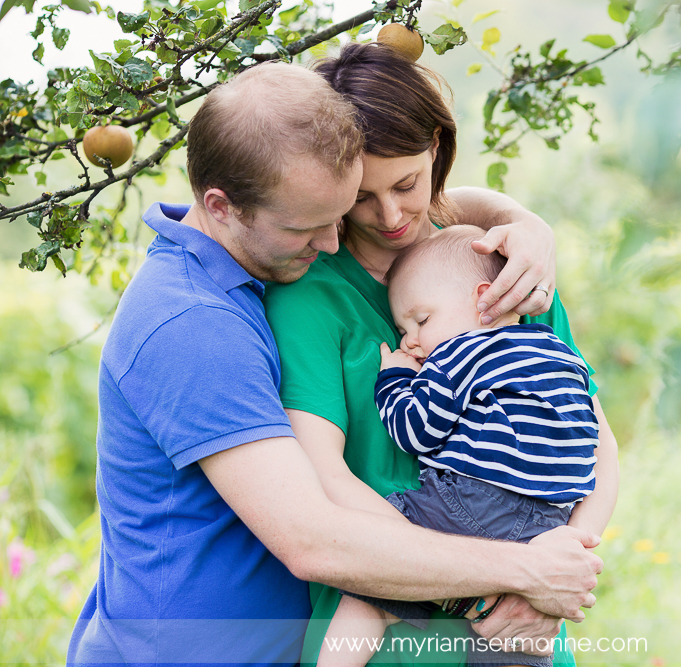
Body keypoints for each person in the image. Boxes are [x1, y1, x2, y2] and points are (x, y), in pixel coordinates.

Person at [67, 61, 603, 667]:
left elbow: (437, 211)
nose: (331, 243)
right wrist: (524, 573)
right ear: (221, 206)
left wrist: (519, 220)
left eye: (337, 216)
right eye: (314, 225)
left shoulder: (271, 266)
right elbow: (313, 539)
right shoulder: (194, 324)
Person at [262, 43, 620, 666]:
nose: (391, 214)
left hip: (522, 633)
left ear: (436, 147)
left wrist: (556, 570)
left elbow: (593, 443)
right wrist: (477, 580)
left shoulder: (503, 272)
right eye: (362, 197)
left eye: (406, 183)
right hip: (394, 646)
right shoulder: (311, 300)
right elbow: (324, 480)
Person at [319, 225, 612, 667]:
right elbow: (589, 441)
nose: (411, 340)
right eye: (403, 329)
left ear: (482, 301)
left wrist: (395, 379)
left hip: (473, 502)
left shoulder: (460, 352)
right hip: (549, 524)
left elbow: (414, 430)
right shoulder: (560, 354)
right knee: (514, 642)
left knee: (372, 580)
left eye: (421, 320)